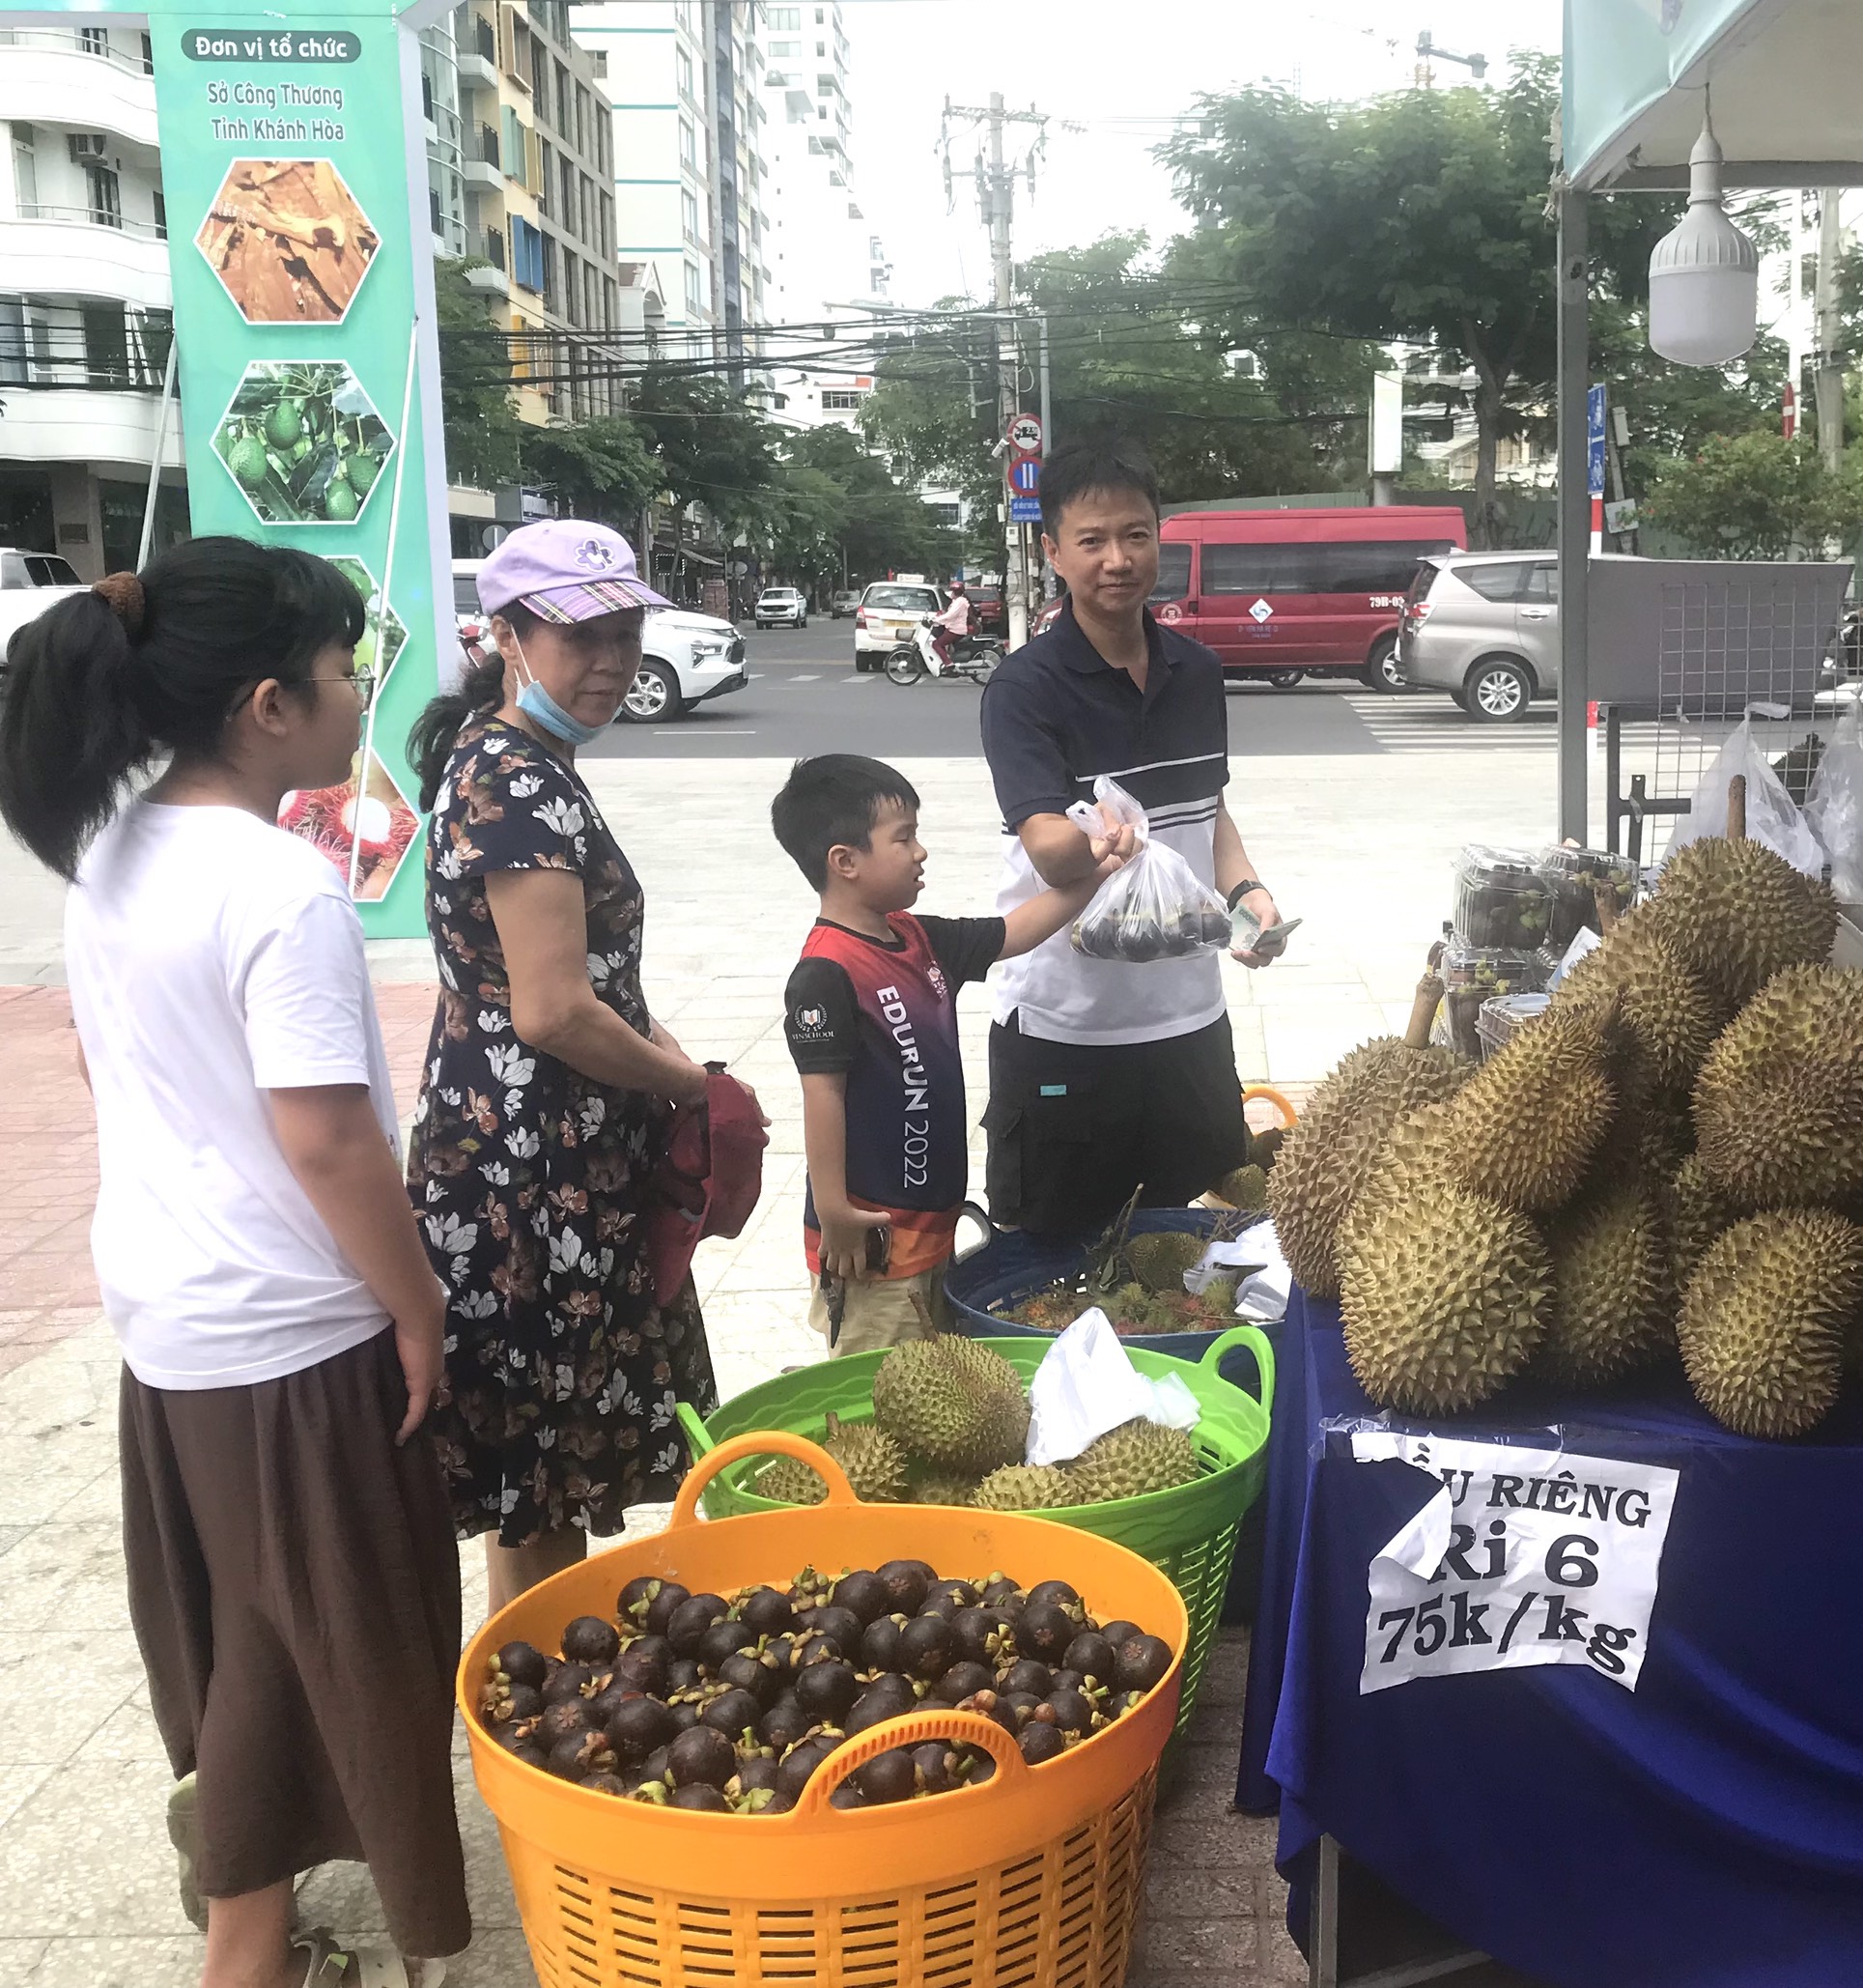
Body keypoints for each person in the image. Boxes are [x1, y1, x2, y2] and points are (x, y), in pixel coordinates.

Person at [0, 540, 468, 1986]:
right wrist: (419, 1306)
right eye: (345, 675)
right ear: (270, 704)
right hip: (292, 1328)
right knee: (329, 1638)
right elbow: (328, 1139)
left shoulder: (117, 853)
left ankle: (251, 1933)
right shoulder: (279, 884)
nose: (357, 698)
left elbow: (106, 1063)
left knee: (246, 1630)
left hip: (176, 1319)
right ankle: (244, 1952)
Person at [406, 520, 728, 1613]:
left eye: (624, 633)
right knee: (539, 1468)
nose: (607, 662)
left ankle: (533, 1689)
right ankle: (540, 1705)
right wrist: (685, 1085)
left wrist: (663, 1054)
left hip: (524, 1146)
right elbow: (551, 1011)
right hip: (529, 1168)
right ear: (506, 636)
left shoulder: (509, 763)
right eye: (576, 636)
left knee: (529, 1486)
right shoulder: (518, 782)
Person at [977, 439, 1285, 1235]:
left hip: (1188, 1022)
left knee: (1199, 1253)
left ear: (1159, 538)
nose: (1118, 559)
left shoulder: (1199, 671)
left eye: (1137, 535)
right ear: (1053, 552)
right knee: (1059, 1266)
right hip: (1067, 1033)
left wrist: (1247, 893)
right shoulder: (1024, 688)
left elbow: (1207, 810)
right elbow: (1047, 845)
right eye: (1092, 541)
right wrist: (1097, 850)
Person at [771, 755, 1136, 1348]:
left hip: (930, 1225)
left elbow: (1014, 931)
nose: (921, 852)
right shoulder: (825, 972)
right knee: (880, 1393)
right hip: (872, 1240)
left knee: (937, 1379)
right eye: (904, 838)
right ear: (846, 862)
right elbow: (823, 1098)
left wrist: (1102, 871)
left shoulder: (918, 937)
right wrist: (833, 1211)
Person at [926, 584, 974, 677]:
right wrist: (939, 617)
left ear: (954, 593)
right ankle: (946, 661)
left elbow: (950, 616)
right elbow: (949, 614)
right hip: (953, 627)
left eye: (952, 592)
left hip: (956, 630)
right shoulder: (957, 601)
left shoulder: (959, 602)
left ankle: (949, 664)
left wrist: (936, 620)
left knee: (936, 644)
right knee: (940, 641)